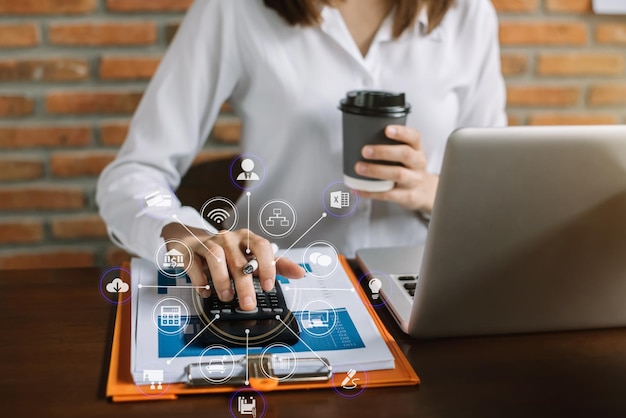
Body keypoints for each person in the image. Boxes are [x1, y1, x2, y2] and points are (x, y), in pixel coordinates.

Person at [96, 0, 507, 312]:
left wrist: (436, 192)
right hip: (271, 283)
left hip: (423, 287)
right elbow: (135, 171)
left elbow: (496, 185)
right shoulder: (233, 10)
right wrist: (182, 232)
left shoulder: (468, 13)